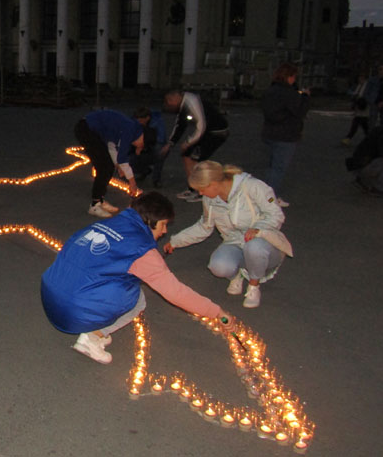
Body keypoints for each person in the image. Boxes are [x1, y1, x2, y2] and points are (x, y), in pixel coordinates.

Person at [41, 192, 236, 364]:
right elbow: (176, 293)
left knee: (116, 280)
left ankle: (96, 325)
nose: (165, 231)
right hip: (73, 312)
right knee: (137, 299)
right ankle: (92, 337)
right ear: (151, 222)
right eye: (164, 225)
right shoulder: (142, 251)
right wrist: (217, 312)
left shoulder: (105, 224)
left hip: (51, 295)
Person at [163, 161, 289, 309]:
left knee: (254, 246)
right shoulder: (210, 199)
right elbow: (204, 227)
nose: (200, 194)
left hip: (264, 243)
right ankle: (238, 274)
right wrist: (176, 241)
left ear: (214, 183)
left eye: (202, 189)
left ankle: (254, 286)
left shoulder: (254, 187)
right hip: (235, 242)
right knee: (218, 266)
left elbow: (276, 215)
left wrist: (258, 229)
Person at [160, 90, 229, 202]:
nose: (170, 104)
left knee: (196, 159)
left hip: (217, 132)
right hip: (207, 132)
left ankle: (201, 190)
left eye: (169, 101)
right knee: (186, 155)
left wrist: (188, 142)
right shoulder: (183, 105)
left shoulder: (192, 102)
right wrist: (170, 143)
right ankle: (192, 188)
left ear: (175, 97)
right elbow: (180, 125)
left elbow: (201, 126)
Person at [74, 109, 145, 218]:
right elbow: (122, 157)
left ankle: (100, 199)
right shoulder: (130, 129)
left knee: (108, 167)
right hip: (86, 129)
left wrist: (117, 165)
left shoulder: (131, 128)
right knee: (103, 168)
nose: (137, 148)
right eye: (139, 147)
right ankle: (95, 205)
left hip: (89, 130)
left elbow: (112, 146)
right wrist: (132, 183)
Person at [260, 62, 310, 208]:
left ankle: (265, 197)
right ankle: (270, 200)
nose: (294, 79)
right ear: (289, 77)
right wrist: (306, 98)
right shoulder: (289, 93)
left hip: (270, 133)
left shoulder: (270, 91)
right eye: (293, 76)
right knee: (279, 168)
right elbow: (300, 112)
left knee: (272, 167)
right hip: (286, 135)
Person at [129, 106, 168, 188]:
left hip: (152, 145)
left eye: (141, 120)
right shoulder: (133, 122)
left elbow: (161, 139)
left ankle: (156, 179)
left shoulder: (157, 122)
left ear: (147, 118)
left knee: (160, 152)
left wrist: (144, 145)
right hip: (139, 145)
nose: (139, 122)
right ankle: (144, 170)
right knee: (129, 159)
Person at [341, 73, 369, 146]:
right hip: (358, 106)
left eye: (362, 78)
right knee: (364, 125)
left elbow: (368, 96)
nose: (360, 80)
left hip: (364, 106)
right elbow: (351, 92)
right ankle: (369, 138)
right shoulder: (357, 86)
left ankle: (348, 137)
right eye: (359, 78)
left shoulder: (367, 86)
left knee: (358, 123)